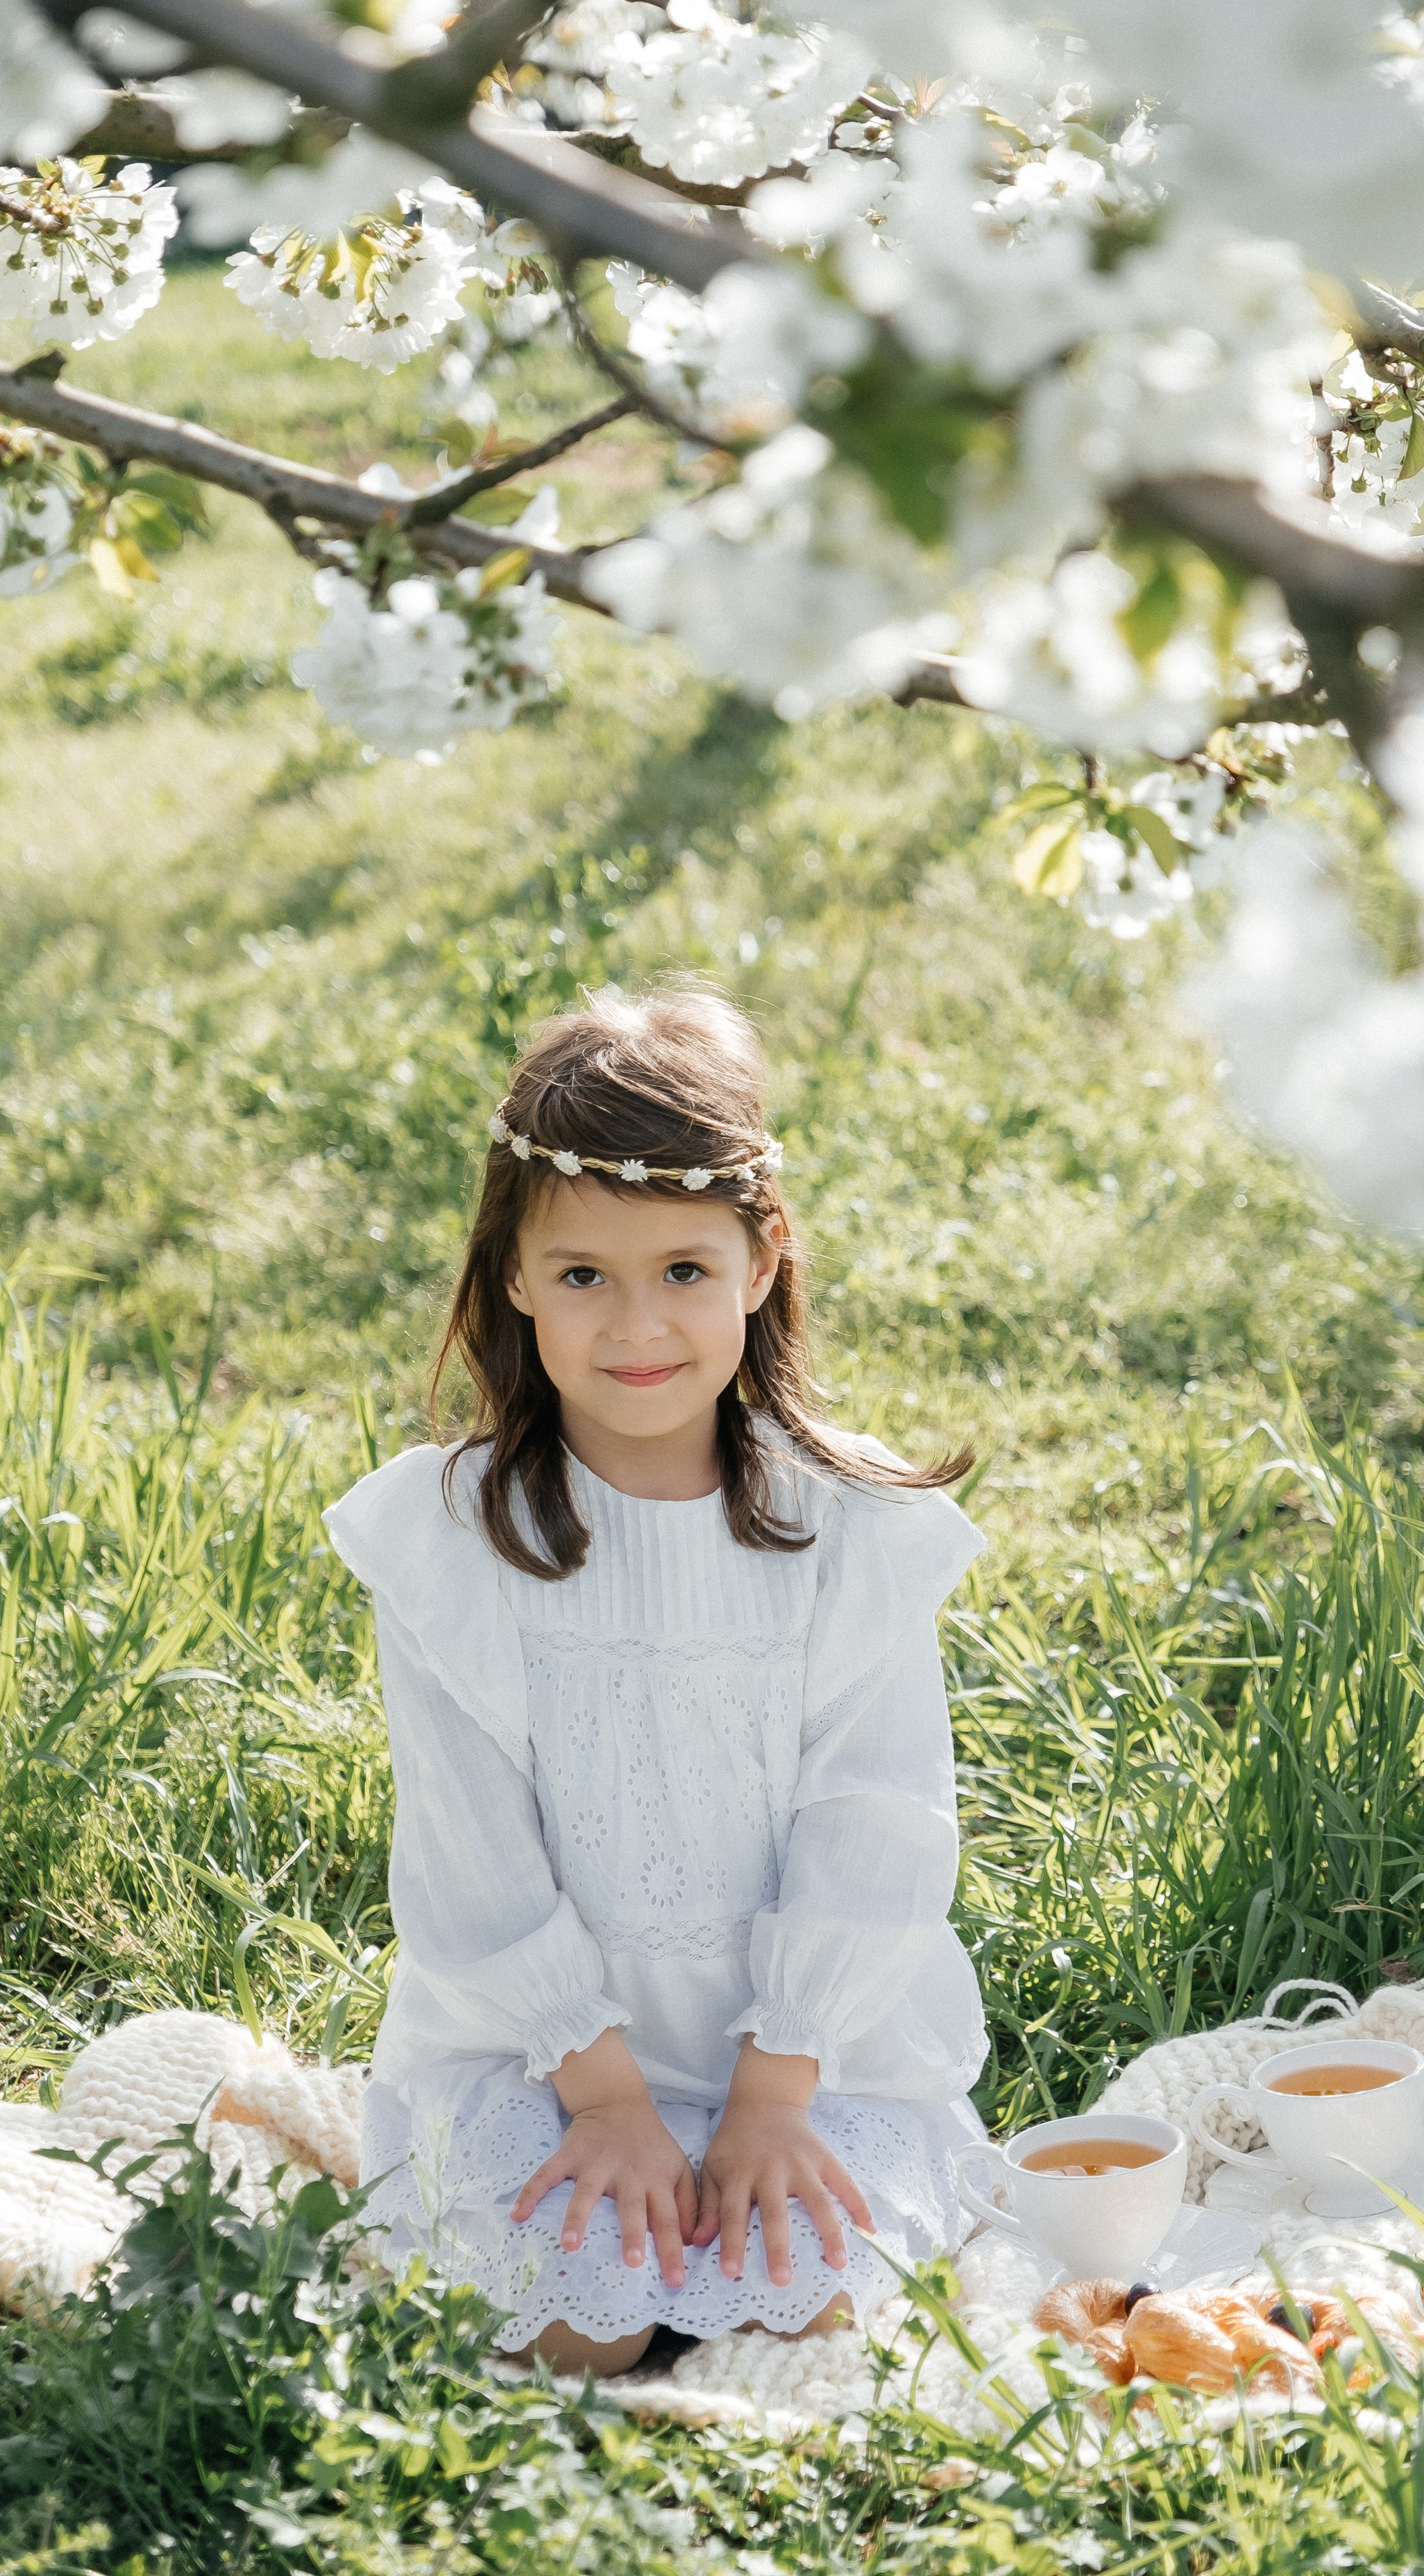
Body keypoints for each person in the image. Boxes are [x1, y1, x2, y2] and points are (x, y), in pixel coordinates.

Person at [325, 983, 989, 2376]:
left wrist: (772, 2090)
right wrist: (604, 2094)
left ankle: (767, 2164)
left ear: (759, 1262)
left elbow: (875, 1823)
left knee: (802, 2310)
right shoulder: (449, 1539)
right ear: (513, 1274)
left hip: (813, 2062)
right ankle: (580, 2190)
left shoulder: (843, 1532)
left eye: (683, 1270)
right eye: (583, 1275)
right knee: (577, 2335)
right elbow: (468, 1848)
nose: (637, 1325)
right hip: (537, 2058)